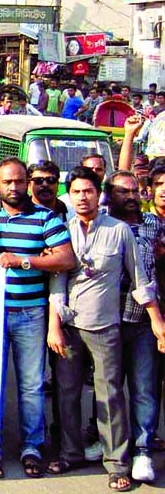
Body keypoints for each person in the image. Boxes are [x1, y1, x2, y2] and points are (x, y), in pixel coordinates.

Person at [47, 167, 165, 492]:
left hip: (105, 326)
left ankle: (116, 464)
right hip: (69, 326)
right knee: (67, 393)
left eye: (88, 191)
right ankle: (70, 454)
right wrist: (54, 327)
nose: (82, 197)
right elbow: (57, 282)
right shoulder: (63, 231)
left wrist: (156, 321)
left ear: (99, 195)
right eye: (76, 192)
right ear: (69, 196)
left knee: (110, 395)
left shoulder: (119, 231)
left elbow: (140, 280)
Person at [0, 157, 76, 479]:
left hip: (31, 313)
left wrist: (25, 261)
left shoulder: (45, 217)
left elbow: (66, 258)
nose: (14, 187)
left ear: (28, 183)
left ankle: (31, 447)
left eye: (19, 181)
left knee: (31, 385)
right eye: (7, 181)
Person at [104, 171, 165, 481]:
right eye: (122, 191)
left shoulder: (154, 224)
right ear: (109, 195)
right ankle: (111, 448)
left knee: (144, 389)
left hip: (143, 320)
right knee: (109, 390)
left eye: (134, 190)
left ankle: (142, 451)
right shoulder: (102, 224)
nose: (130, 196)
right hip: (107, 321)